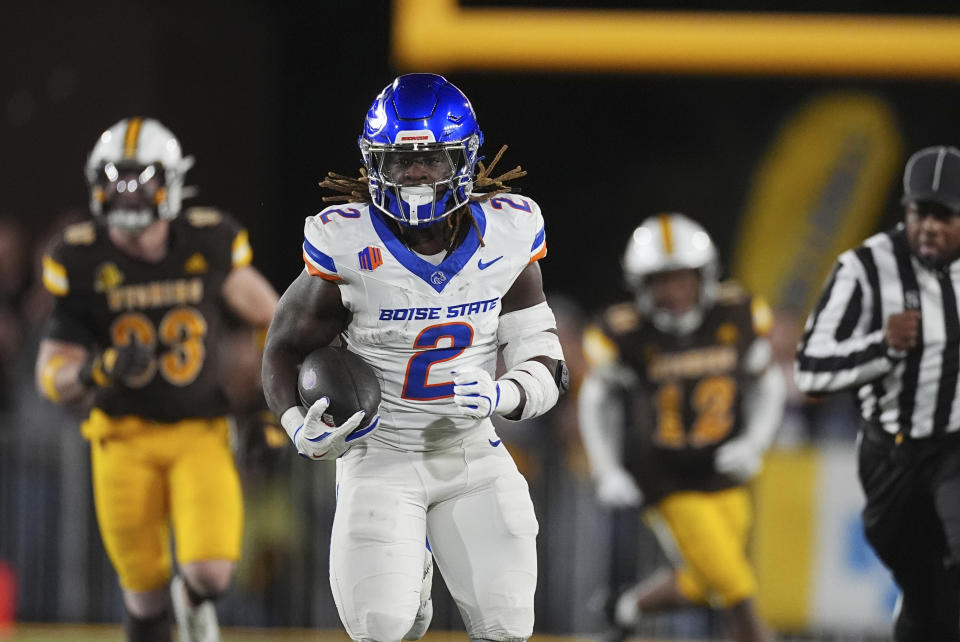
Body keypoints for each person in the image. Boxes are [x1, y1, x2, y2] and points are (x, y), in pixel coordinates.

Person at [262, 73, 568, 642]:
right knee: (382, 628)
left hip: (471, 451)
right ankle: (411, 572)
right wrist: (294, 426)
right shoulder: (346, 243)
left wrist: (506, 392)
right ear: (374, 163)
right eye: (401, 162)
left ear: (465, 158)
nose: (415, 175)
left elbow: (544, 354)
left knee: (506, 628)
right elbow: (283, 346)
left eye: (430, 159)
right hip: (380, 454)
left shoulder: (509, 230)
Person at [34, 117, 278, 642]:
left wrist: (266, 407)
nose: (127, 193)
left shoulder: (207, 241)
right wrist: (96, 370)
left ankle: (190, 603)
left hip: (200, 429)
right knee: (142, 591)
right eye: (115, 179)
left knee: (210, 573)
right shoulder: (80, 258)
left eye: (140, 179)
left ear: (171, 180)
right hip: (122, 437)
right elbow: (50, 376)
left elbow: (278, 322)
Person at [578, 213, 784, 642]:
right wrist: (607, 468)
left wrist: (754, 443)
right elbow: (597, 399)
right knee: (733, 583)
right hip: (664, 475)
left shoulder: (736, 312)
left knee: (706, 579)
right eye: (660, 280)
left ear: (704, 276)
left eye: (682, 278)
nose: (672, 291)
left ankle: (626, 609)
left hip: (724, 467)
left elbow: (768, 382)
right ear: (641, 284)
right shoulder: (626, 331)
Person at [795, 145, 960, 641]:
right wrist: (882, 347)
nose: (929, 225)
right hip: (891, 455)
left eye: (944, 214)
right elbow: (810, 370)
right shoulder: (864, 268)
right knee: (928, 598)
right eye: (919, 212)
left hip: (955, 447)